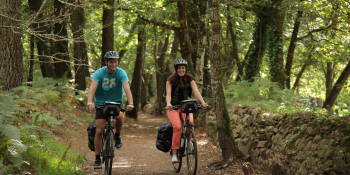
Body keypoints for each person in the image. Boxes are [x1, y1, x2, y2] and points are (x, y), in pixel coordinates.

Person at [87, 51, 134, 169]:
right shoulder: (99, 72)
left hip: (116, 102)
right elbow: (92, 87)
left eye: (116, 62)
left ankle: (117, 135)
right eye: (111, 62)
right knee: (99, 130)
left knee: (119, 117)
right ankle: (97, 158)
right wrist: (89, 102)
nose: (114, 64)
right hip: (100, 103)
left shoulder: (121, 73)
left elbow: (127, 88)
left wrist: (130, 103)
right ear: (106, 62)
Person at [165, 59, 208, 163]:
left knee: (191, 123)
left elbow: (196, 92)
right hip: (173, 107)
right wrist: (168, 104)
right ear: (176, 69)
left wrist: (202, 102)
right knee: (177, 127)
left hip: (185, 106)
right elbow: (168, 94)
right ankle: (174, 154)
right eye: (179, 68)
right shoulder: (170, 80)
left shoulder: (190, 80)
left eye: (183, 68)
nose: (181, 70)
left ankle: (189, 142)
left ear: (185, 69)